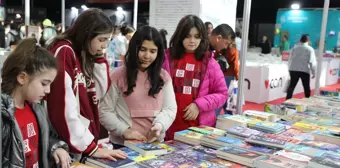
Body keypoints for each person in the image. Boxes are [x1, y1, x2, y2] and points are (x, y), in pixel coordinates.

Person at [46, 8, 127, 161]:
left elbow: (100, 92)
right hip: (66, 143)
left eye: (107, 40)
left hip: (83, 139)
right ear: (87, 34)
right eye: (101, 40)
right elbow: (63, 108)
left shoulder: (84, 53)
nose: (104, 46)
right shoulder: (65, 51)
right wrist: (90, 147)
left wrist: (99, 57)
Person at [99, 26, 177, 147]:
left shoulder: (164, 77)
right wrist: (124, 131)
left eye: (152, 51)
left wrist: (159, 125)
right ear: (133, 48)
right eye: (142, 49)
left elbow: (170, 109)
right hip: (122, 145)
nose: (147, 56)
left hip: (155, 144)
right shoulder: (117, 76)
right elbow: (104, 111)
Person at [1, 38, 70, 168]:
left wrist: (55, 147)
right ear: (22, 78)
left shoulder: (38, 110)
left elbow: (42, 139)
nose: (48, 90)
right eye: (44, 83)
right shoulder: (4, 117)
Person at [163, 15, 228, 140]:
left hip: (198, 129)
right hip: (168, 126)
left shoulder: (210, 63)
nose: (192, 40)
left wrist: (199, 105)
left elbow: (222, 94)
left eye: (197, 36)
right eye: (188, 36)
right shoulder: (167, 58)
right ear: (180, 35)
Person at [209, 24, 239, 115]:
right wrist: (237, 76)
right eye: (225, 43)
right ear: (219, 38)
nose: (226, 46)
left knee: (224, 98)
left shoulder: (215, 51)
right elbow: (235, 65)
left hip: (222, 76)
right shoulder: (231, 50)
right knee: (224, 98)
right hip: (228, 76)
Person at [286, 34, 316, 100]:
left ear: (300, 40)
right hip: (304, 70)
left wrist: (289, 68)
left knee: (291, 86)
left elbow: (290, 58)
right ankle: (307, 100)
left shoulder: (294, 48)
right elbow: (312, 62)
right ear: (308, 40)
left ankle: (287, 100)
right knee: (306, 87)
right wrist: (313, 72)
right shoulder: (310, 49)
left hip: (293, 69)